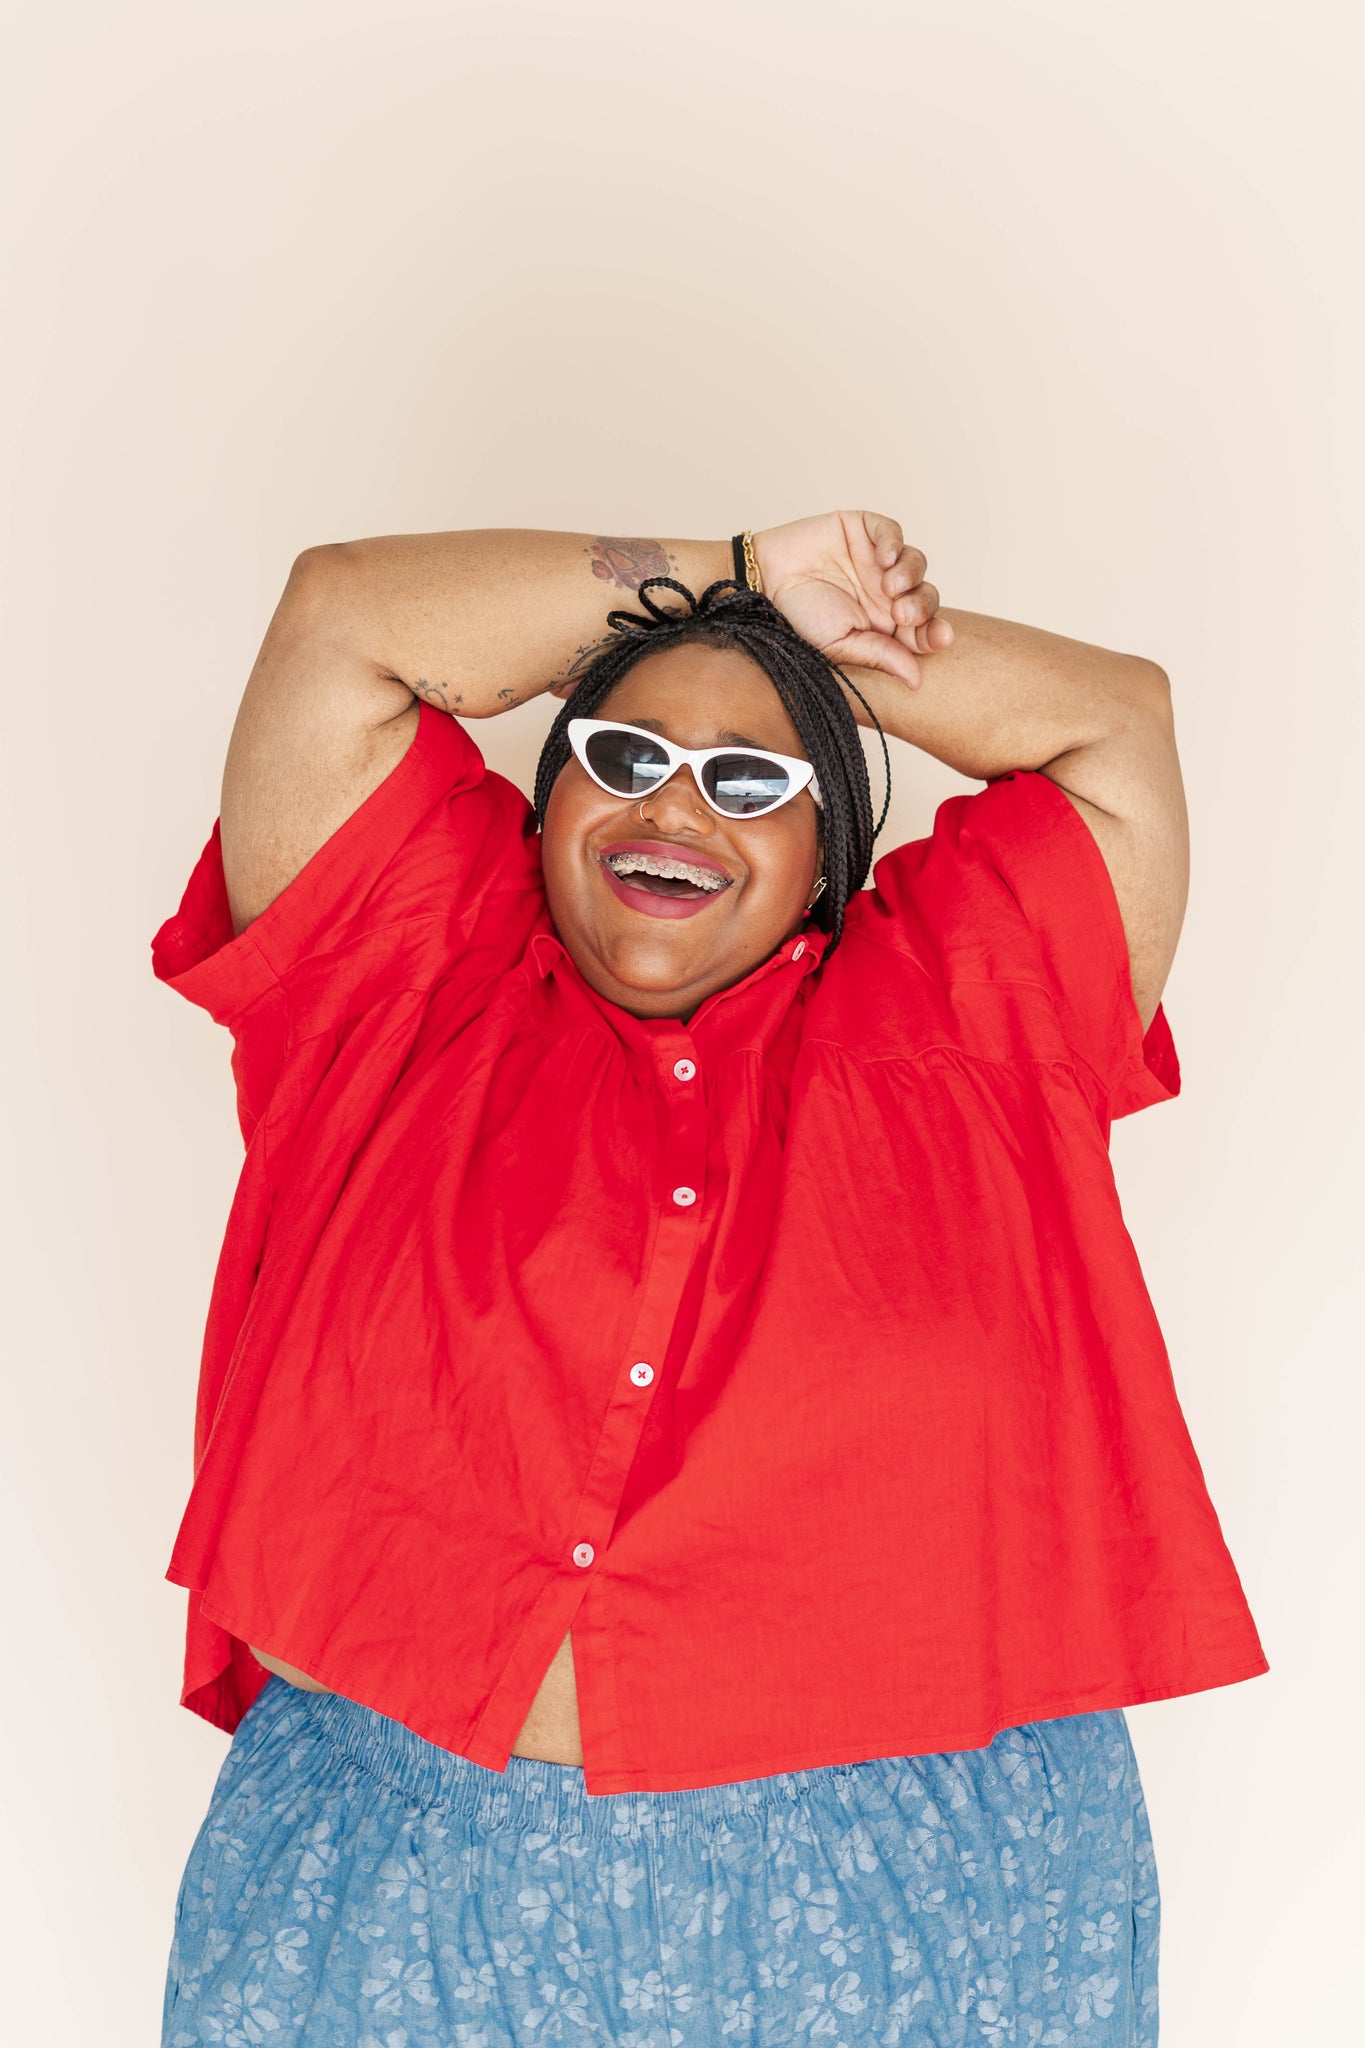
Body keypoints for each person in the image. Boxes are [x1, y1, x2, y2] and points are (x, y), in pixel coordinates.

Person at [152, 510, 1267, 2048]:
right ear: (547, 804)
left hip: (911, 1890)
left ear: (824, 857)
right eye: (622, 758)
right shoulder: (401, 974)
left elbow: (1112, 727)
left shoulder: (972, 1009)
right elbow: (341, 620)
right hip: (390, 1880)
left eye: (751, 782)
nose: (674, 803)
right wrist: (741, 580)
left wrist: (794, 654)